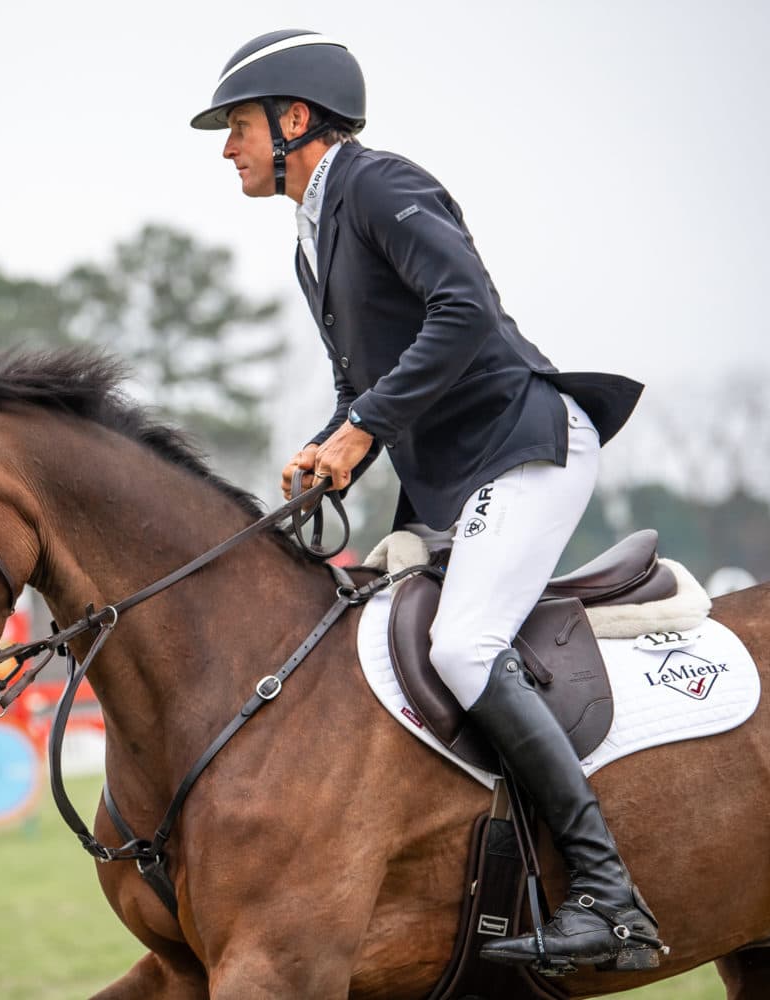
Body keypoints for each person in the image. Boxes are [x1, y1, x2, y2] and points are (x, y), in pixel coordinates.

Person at [191, 29, 663, 974]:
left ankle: (611, 898)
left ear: (296, 119)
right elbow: (365, 383)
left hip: (524, 444)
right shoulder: (311, 241)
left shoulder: (378, 184)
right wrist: (332, 447)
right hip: (456, 472)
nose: (227, 147)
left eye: (238, 125)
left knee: (463, 645)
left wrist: (361, 425)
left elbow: (464, 311)